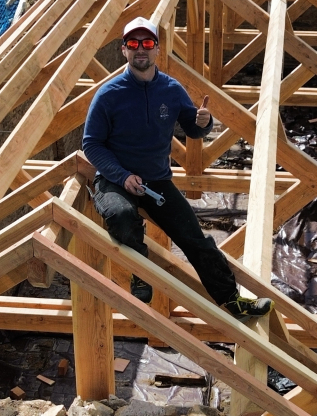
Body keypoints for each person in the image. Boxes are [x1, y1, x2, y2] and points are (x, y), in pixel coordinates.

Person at [83, 18, 272, 320]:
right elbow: (91, 144)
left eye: (146, 43)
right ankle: (140, 271)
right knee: (120, 215)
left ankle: (232, 300)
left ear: (157, 49)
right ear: (124, 50)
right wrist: (121, 175)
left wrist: (203, 123)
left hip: (156, 181)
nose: (140, 49)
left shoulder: (171, 90)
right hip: (116, 178)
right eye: (133, 44)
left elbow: (194, 130)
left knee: (196, 240)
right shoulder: (108, 94)